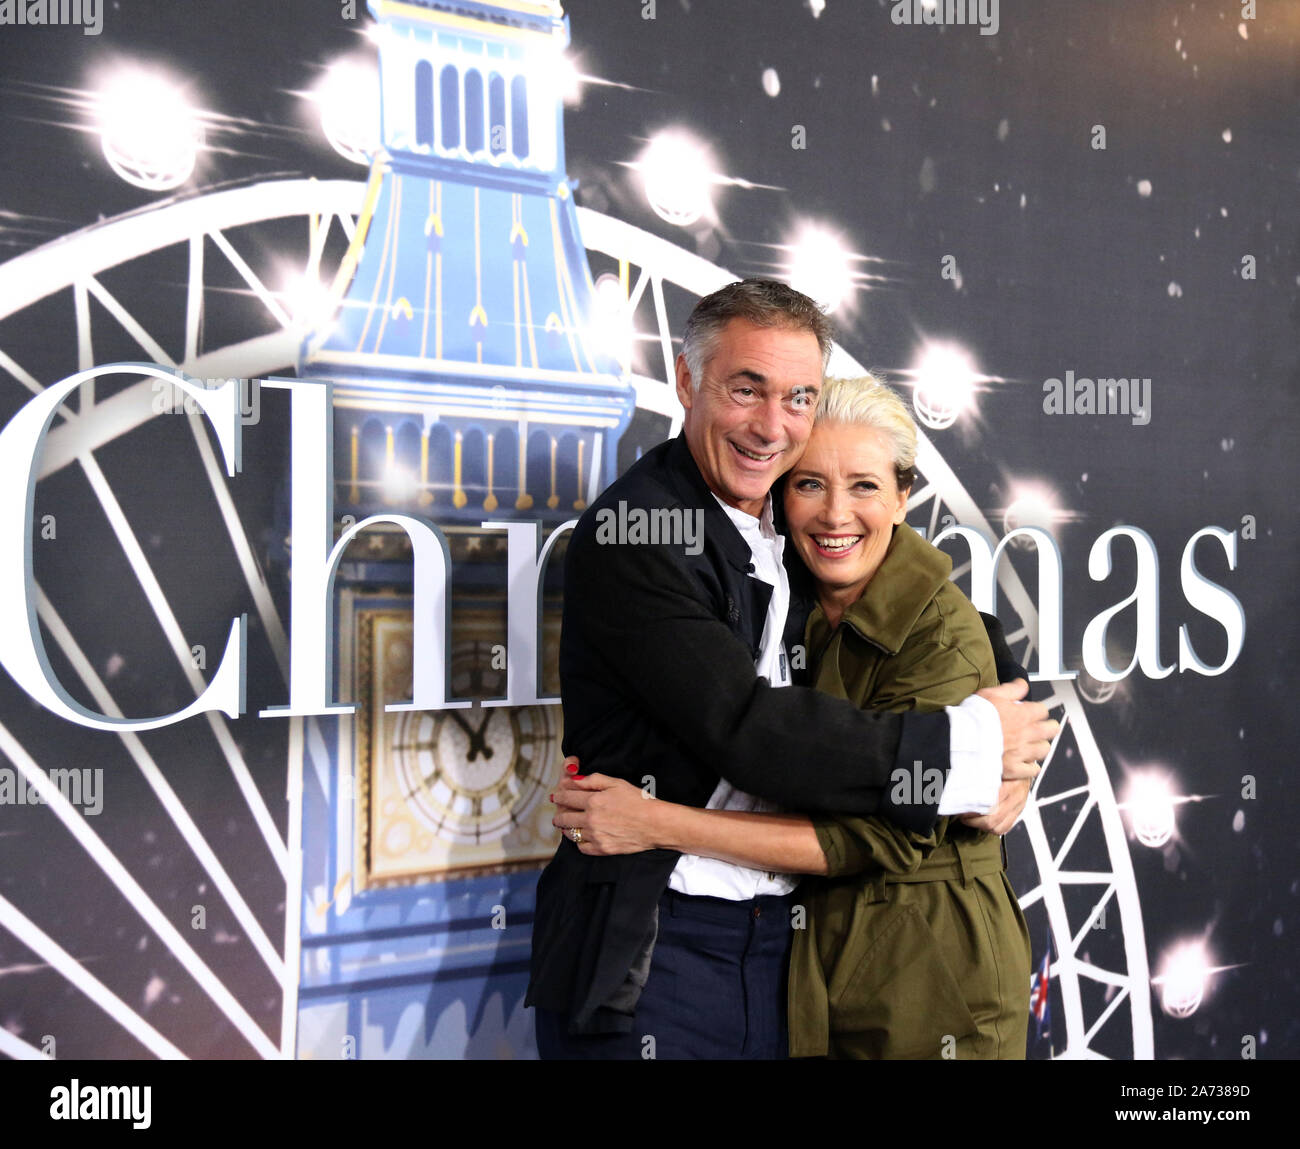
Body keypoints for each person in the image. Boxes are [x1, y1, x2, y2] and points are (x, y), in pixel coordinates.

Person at [525, 279, 1054, 1059]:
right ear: (686, 381)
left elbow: (931, 618)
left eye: (798, 396)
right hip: (657, 952)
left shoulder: (778, 520)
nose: (772, 425)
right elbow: (749, 729)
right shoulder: (638, 531)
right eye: (747, 389)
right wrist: (965, 751)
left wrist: (1015, 724)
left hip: (785, 956)